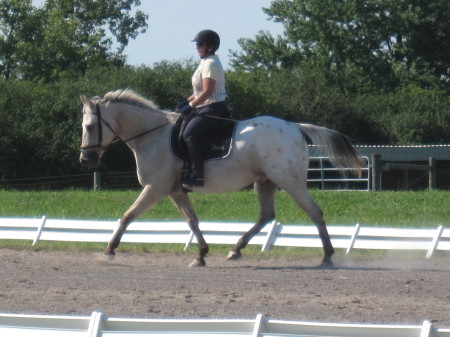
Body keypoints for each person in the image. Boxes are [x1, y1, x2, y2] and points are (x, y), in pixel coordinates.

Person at [178, 29, 229, 188]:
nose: (197, 47)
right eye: (197, 44)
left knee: (189, 134)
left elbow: (208, 92)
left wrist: (191, 106)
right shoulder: (205, 63)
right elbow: (198, 92)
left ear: (210, 47)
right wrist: (185, 103)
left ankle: (197, 175)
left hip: (213, 108)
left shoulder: (211, 64)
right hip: (205, 106)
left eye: (200, 44)